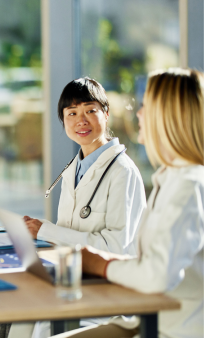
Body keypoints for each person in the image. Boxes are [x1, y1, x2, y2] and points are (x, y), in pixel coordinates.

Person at [59, 68, 204, 338]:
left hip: (172, 328)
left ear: (170, 117)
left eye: (146, 107)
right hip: (144, 318)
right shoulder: (171, 178)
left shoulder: (189, 185)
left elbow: (156, 275)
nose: (138, 114)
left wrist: (99, 263)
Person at [24, 77, 145, 256]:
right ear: (63, 120)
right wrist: (38, 228)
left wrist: (46, 231)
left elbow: (117, 247)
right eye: (72, 113)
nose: (81, 121)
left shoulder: (122, 171)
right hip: (72, 270)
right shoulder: (73, 169)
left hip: (108, 280)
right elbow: (67, 231)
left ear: (106, 113)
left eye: (90, 111)